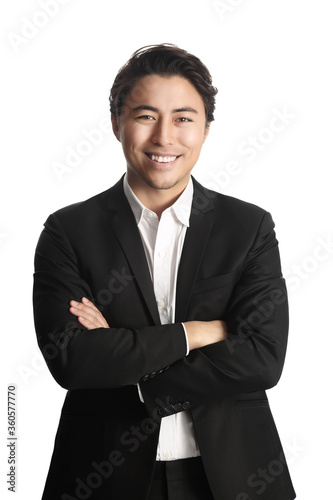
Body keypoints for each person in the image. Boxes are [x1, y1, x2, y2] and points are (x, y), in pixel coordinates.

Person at [33, 44, 296, 500]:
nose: (164, 138)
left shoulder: (248, 226)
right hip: (101, 476)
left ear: (206, 129)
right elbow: (73, 360)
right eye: (146, 116)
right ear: (117, 123)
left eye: (183, 118)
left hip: (236, 476)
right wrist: (200, 332)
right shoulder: (68, 231)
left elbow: (262, 358)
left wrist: (132, 369)